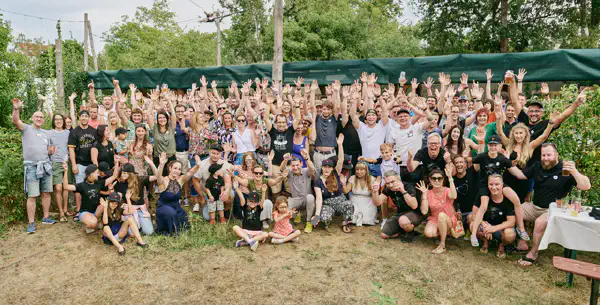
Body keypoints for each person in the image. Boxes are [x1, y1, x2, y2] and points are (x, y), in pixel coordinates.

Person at [518, 143, 591, 267]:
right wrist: (505, 161)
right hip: (534, 207)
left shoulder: (565, 169)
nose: (545, 158)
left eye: (549, 155)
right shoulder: (538, 166)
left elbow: (586, 186)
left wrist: (575, 172)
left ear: (556, 155)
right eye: (543, 155)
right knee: (515, 210)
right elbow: (519, 174)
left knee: (540, 223)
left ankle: (534, 252)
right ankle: (520, 239)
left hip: (553, 209)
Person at [12, 98, 56, 232]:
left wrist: (51, 151)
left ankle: (46, 217)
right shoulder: (26, 129)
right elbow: (16, 121)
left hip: (46, 166)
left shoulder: (46, 133)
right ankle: (31, 222)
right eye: (37, 116)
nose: (39, 118)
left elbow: (49, 150)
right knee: (32, 195)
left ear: (44, 120)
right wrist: (16, 108)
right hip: (31, 166)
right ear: (32, 118)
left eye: (41, 117)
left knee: (46, 193)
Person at [62, 161, 120, 233]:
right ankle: (90, 222)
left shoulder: (99, 183)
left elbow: (114, 176)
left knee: (103, 204)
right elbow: (66, 187)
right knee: (93, 223)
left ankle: (95, 221)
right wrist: (65, 171)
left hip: (96, 212)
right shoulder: (82, 185)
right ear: (91, 174)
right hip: (85, 212)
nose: (98, 174)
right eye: (96, 172)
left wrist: (117, 163)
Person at [313, 134, 354, 233]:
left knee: (349, 204)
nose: (327, 169)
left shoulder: (336, 173)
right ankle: (327, 222)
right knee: (324, 217)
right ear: (322, 168)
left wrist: (339, 145)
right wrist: (317, 215)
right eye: (325, 167)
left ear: (332, 168)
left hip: (340, 201)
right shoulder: (318, 182)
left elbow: (340, 160)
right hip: (328, 204)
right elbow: (319, 199)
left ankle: (346, 222)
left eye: (329, 167)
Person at [155, 152, 202, 235]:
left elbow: (190, 173)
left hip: (176, 207)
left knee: (182, 218)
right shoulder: (164, 180)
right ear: (170, 168)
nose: (177, 171)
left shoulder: (180, 180)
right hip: (163, 206)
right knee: (171, 213)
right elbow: (158, 177)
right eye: (175, 168)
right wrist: (161, 164)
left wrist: (197, 165)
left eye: (179, 169)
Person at [471, 175, 517, 258]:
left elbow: (512, 222)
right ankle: (485, 241)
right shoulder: (483, 195)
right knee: (472, 224)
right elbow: (474, 215)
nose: (494, 187)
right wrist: (484, 225)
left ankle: (502, 245)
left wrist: (493, 228)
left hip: (501, 229)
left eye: (497, 184)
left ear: (502, 185)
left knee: (510, 234)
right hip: (486, 226)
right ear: (487, 185)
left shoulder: (508, 198)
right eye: (491, 184)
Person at [417, 167, 458, 254]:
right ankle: (446, 232)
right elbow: (424, 211)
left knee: (442, 216)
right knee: (429, 233)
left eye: (439, 178)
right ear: (430, 180)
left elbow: (454, 196)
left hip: (449, 218)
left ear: (443, 179)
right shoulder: (428, 193)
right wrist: (424, 195)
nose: (436, 181)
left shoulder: (447, 190)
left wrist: (450, 178)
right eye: (434, 178)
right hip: (434, 219)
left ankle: (442, 245)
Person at [68, 109, 97, 220]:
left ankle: (91, 209)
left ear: (89, 117)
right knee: (79, 187)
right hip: (80, 163)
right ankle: (79, 210)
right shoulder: (74, 132)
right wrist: (74, 165)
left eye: (86, 116)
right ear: (79, 117)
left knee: (92, 186)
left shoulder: (93, 131)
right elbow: (71, 150)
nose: (84, 118)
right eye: (82, 116)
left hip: (92, 164)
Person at [375, 170, 420, 243]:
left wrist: (402, 191)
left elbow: (414, 206)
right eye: (387, 183)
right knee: (384, 235)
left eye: (393, 181)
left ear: (398, 179)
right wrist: (375, 192)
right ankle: (402, 230)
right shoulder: (388, 189)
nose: (390, 185)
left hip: (415, 213)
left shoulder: (408, 186)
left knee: (403, 220)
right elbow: (377, 203)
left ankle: (410, 232)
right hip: (400, 213)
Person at [279, 149, 316, 233]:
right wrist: (285, 160)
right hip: (296, 199)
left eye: (297, 165)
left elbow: (312, 169)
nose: (295, 168)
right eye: (293, 166)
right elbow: (281, 169)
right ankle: (296, 214)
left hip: (307, 199)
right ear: (291, 166)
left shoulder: (306, 171)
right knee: (286, 205)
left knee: (310, 197)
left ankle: (309, 222)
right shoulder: (289, 172)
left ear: (301, 164)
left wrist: (307, 159)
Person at [114, 162, 155, 235]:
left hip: (140, 209)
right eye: (122, 173)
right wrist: (111, 190)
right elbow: (118, 199)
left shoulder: (140, 180)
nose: (122, 175)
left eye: (125, 173)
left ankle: (141, 221)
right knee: (132, 233)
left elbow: (156, 177)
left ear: (131, 174)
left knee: (149, 232)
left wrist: (152, 163)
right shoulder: (120, 184)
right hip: (128, 209)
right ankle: (134, 223)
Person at [232, 183, 269, 251]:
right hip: (246, 232)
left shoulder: (258, 208)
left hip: (256, 233)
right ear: (247, 201)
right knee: (235, 227)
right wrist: (236, 188)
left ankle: (246, 242)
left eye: (255, 202)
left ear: (258, 202)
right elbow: (241, 197)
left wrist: (263, 192)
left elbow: (262, 200)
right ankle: (250, 241)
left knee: (266, 234)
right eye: (250, 201)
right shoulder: (245, 206)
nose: (252, 203)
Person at [49, 113, 71, 222]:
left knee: (66, 187)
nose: (58, 121)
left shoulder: (68, 132)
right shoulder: (49, 133)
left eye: (60, 119)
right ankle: (61, 212)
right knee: (58, 188)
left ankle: (66, 209)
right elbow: (46, 147)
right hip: (55, 163)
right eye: (56, 119)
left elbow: (70, 147)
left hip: (66, 162)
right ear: (53, 121)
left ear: (63, 121)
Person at [451, 154, 480, 235]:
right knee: (452, 232)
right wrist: (456, 211)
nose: (459, 164)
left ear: (466, 165)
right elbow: (452, 199)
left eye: (461, 162)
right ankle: (463, 229)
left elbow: (478, 159)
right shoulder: (452, 179)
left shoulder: (472, 172)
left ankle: (470, 232)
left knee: (470, 217)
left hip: (473, 212)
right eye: (456, 163)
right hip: (460, 213)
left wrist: (468, 157)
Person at [346, 161, 378, 226]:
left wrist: (375, 189)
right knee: (353, 219)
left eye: (362, 169)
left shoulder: (372, 179)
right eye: (357, 169)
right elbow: (346, 191)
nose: (359, 171)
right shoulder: (352, 178)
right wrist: (343, 183)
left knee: (367, 220)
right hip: (355, 200)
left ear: (366, 170)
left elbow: (374, 194)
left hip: (368, 201)